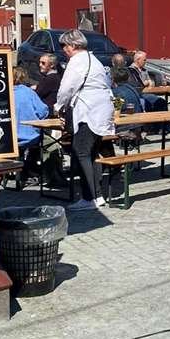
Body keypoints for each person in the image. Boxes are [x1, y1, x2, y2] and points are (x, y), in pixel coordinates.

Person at [55, 29, 115, 210]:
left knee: (80, 151)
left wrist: (58, 106)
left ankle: (91, 197)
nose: (63, 49)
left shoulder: (76, 62)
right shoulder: (93, 59)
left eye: (64, 45)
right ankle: (96, 195)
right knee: (91, 152)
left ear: (73, 45)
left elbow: (67, 88)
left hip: (89, 111)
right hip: (101, 109)